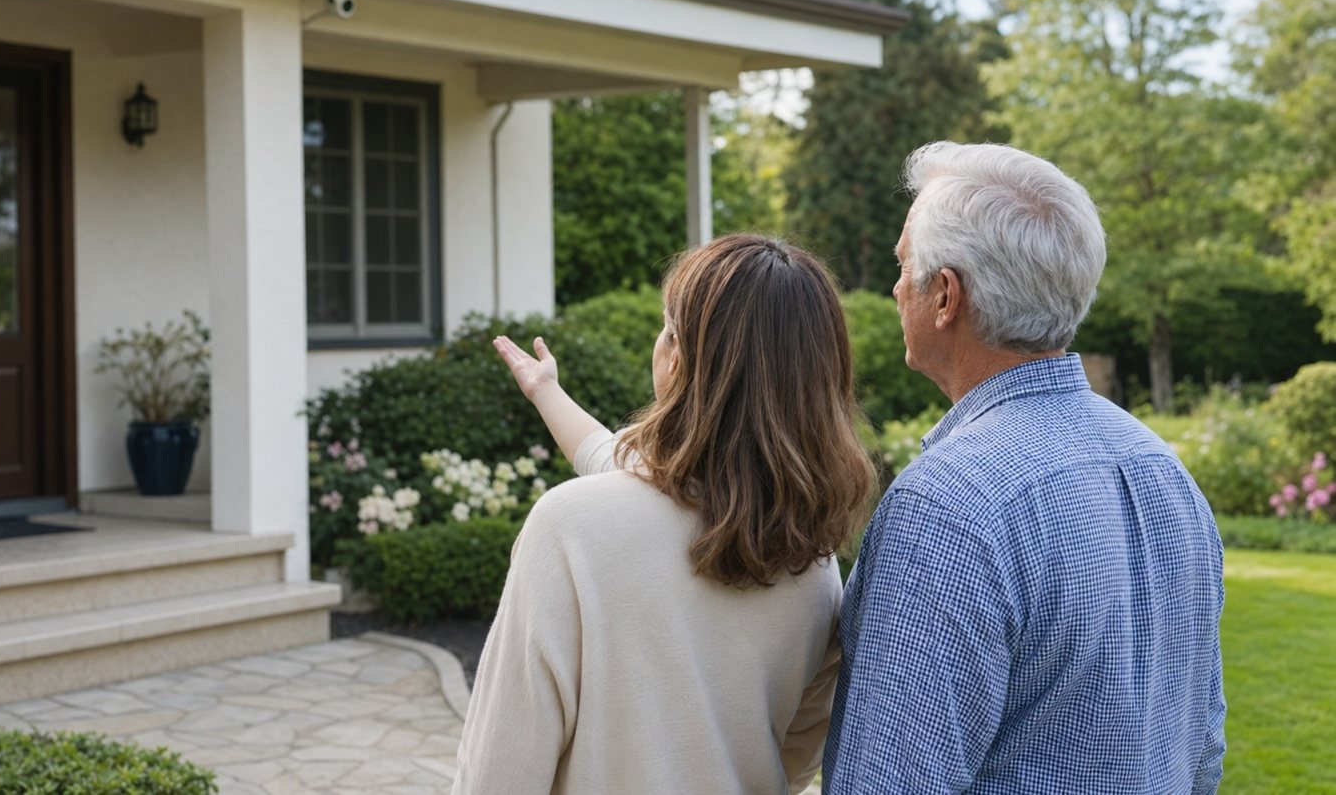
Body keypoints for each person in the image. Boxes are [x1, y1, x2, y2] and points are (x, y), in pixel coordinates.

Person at [823, 142, 1226, 794]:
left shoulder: (947, 506)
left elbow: (889, 781)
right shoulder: (1162, 470)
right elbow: (1200, 746)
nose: (895, 286)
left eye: (904, 265)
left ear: (945, 295)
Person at [451, 233, 877, 795]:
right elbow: (797, 757)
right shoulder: (812, 567)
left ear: (677, 357)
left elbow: (499, 772)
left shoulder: (570, 529)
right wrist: (547, 394)